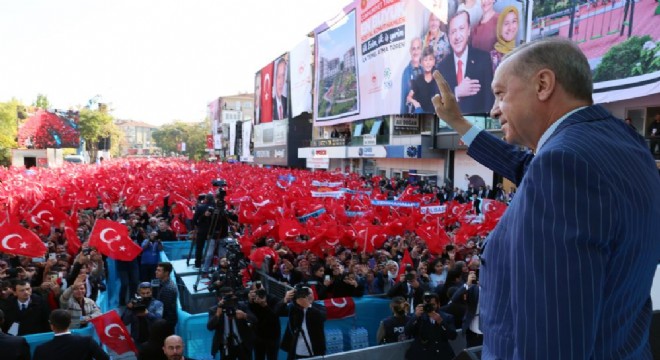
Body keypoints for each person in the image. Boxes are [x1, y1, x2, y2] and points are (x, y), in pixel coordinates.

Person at [431, 38, 660, 359]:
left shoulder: (561, 167)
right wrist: (458, 122)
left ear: (543, 84)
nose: (494, 108)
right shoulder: (624, 143)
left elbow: (553, 341)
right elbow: (529, 166)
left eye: (500, 94)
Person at [436, 11, 494, 115]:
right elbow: (436, 104)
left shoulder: (483, 59)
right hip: (450, 128)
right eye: (453, 31)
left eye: (461, 29)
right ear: (448, 36)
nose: (457, 36)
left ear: (468, 31)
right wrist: (456, 92)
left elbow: (489, 100)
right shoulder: (442, 67)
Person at [33, 309, 109, 360]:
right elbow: (105, 358)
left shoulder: (41, 350)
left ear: (51, 326)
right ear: (70, 323)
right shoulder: (87, 341)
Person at [277, 286, 326, 359]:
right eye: (303, 294)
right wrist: (285, 299)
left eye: (309, 293)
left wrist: (308, 306)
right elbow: (277, 312)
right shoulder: (293, 308)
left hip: (315, 348)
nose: (307, 296)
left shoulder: (319, 307)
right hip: (296, 348)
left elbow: (322, 317)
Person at [207, 287, 256, 360]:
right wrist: (217, 314)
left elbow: (255, 320)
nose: (230, 300)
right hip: (226, 346)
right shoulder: (214, 310)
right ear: (219, 299)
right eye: (227, 297)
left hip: (242, 344)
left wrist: (245, 315)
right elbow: (210, 327)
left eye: (231, 296)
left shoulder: (241, 306)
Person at [405, 292, 457, 359]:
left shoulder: (447, 317)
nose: (429, 307)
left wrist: (441, 322)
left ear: (438, 304)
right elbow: (407, 332)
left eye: (432, 305)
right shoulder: (417, 316)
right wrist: (415, 317)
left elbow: (453, 336)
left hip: (441, 354)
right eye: (427, 305)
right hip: (422, 355)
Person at [122, 282, 164, 347]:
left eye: (148, 293)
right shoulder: (134, 304)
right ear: (139, 293)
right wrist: (129, 309)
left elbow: (159, 320)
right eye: (143, 293)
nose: (145, 295)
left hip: (152, 339)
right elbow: (125, 322)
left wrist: (147, 314)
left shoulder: (158, 304)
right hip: (138, 339)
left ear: (151, 292)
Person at [247, 283, 281, 360]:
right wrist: (250, 302)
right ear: (252, 292)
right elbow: (250, 317)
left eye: (261, 290)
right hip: (258, 335)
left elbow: (274, 317)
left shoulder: (273, 299)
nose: (260, 293)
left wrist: (265, 306)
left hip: (273, 335)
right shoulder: (251, 302)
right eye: (257, 291)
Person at [407, 46, 441, 113]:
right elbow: (409, 97)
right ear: (421, 63)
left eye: (430, 59)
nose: (428, 63)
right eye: (425, 60)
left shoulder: (438, 79)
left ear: (434, 61)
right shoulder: (418, 80)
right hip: (421, 113)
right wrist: (415, 102)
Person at [489, 6, 520, 71]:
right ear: (499, 28)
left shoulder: (521, 54)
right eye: (506, 23)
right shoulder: (491, 57)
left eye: (514, 21)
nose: (510, 27)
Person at [400, 37, 423, 114]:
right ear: (410, 51)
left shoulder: (426, 69)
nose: (416, 51)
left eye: (418, 48)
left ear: (421, 50)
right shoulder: (406, 73)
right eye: (413, 49)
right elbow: (404, 102)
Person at [154, 262, 178, 333]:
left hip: (167, 321)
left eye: (159, 270)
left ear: (166, 273)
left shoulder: (168, 288)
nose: (156, 272)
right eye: (156, 270)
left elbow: (164, 308)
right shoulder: (163, 282)